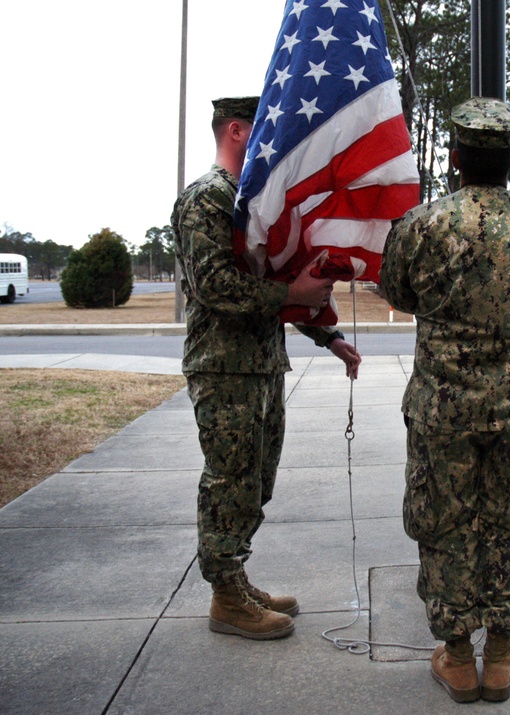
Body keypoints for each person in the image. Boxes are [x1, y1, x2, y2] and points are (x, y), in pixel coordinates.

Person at [380, 97, 510, 703]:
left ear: (455, 158)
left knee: (444, 522)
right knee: (505, 522)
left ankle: (458, 655)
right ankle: (500, 652)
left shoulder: (421, 225)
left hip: (443, 406)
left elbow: (399, 292)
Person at [170, 96, 362, 640]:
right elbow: (214, 288)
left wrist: (330, 337)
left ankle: (235, 576)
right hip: (224, 368)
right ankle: (225, 595)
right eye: (262, 128)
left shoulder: (253, 201)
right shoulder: (207, 200)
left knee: (256, 480)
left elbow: (277, 285)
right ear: (235, 131)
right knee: (229, 479)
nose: (272, 140)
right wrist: (291, 290)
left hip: (259, 367)